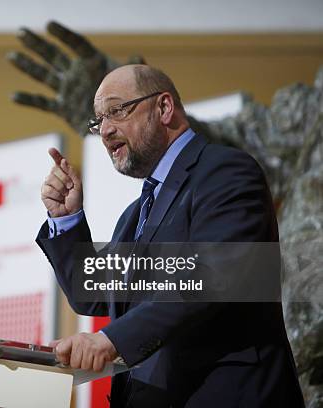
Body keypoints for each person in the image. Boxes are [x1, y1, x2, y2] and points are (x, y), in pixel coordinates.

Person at [36, 64, 304, 407]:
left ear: (164, 108)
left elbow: (210, 275)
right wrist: (66, 218)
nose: (104, 130)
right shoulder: (134, 215)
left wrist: (111, 340)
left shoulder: (225, 173)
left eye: (116, 111)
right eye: (99, 120)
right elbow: (92, 291)